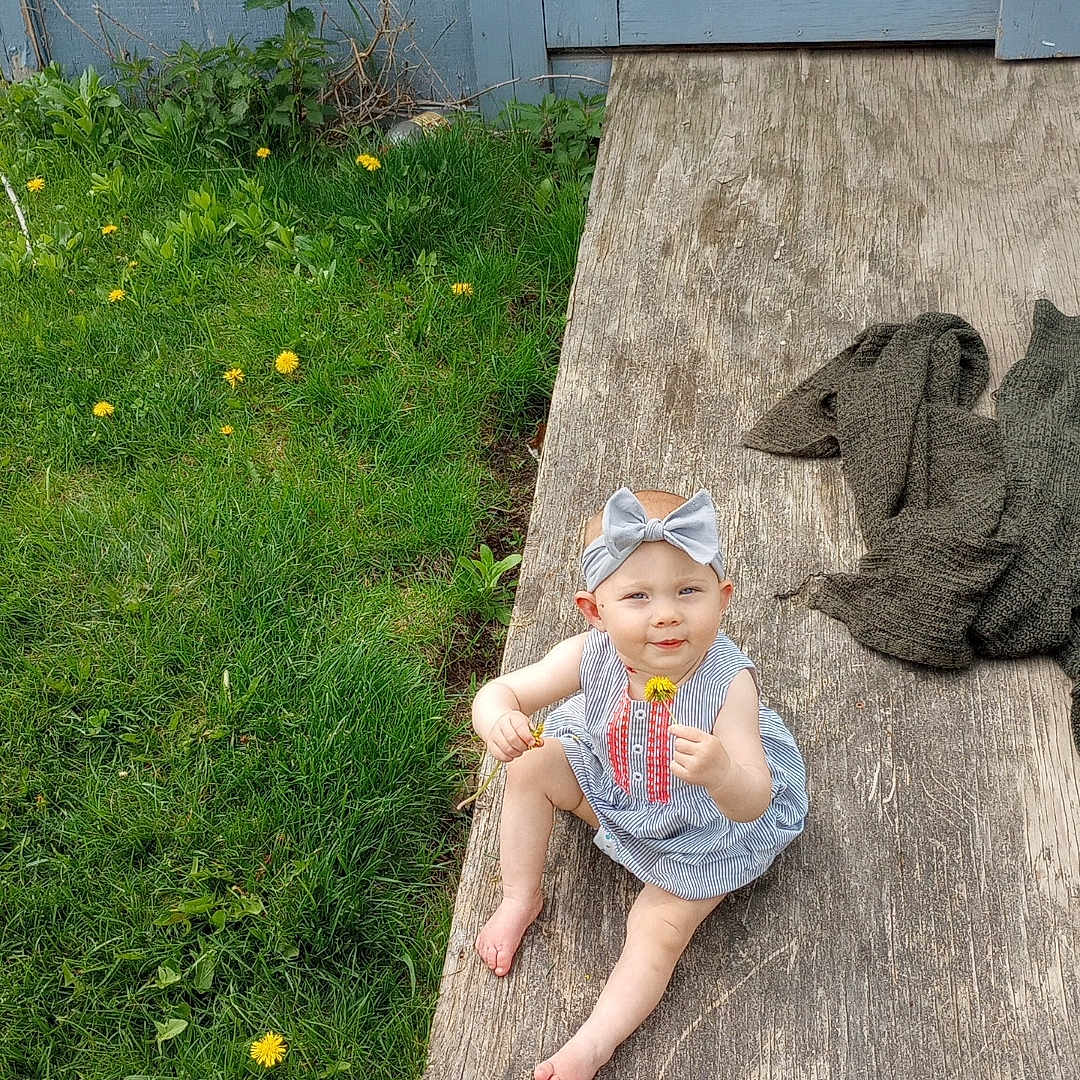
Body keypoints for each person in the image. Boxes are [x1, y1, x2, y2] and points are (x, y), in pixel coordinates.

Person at [469, 486, 809, 1080]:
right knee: (529, 765)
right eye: (638, 596)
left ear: (723, 597)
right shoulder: (588, 655)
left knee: (659, 928)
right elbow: (503, 691)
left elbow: (755, 798)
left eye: (688, 591)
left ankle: (592, 1045)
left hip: (704, 829)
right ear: (595, 611)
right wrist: (498, 720)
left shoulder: (727, 685)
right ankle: (521, 895)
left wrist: (722, 772)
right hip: (617, 783)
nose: (667, 614)